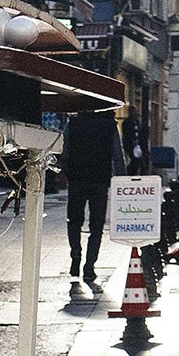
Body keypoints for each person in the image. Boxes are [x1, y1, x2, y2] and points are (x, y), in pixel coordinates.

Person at [63, 104, 124, 289]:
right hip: (100, 180)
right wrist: (122, 180)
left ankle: (76, 257)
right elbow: (117, 155)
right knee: (96, 226)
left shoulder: (73, 122)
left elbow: (64, 149)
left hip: (77, 180)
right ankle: (89, 266)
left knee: (74, 221)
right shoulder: (109, 125)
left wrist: (66, 172)